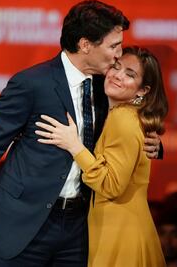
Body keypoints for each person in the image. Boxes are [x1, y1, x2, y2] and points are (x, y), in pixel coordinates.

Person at [0, 0, 162, 266]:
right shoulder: (32, 83)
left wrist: (153, 145)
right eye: (113, 46)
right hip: (21, 226)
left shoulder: (107, 89)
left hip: (78, 231)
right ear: (85, 45)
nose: (118, 55)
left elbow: (125, 132)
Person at [35, 46, 167, 266]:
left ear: (142, 90)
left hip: (119, 233)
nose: (118, 75)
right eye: (116, 67)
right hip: (118, 227)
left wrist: (74, 146)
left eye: (130, 74)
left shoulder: (123, 118)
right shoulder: (123, 112)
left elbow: (112, 185)